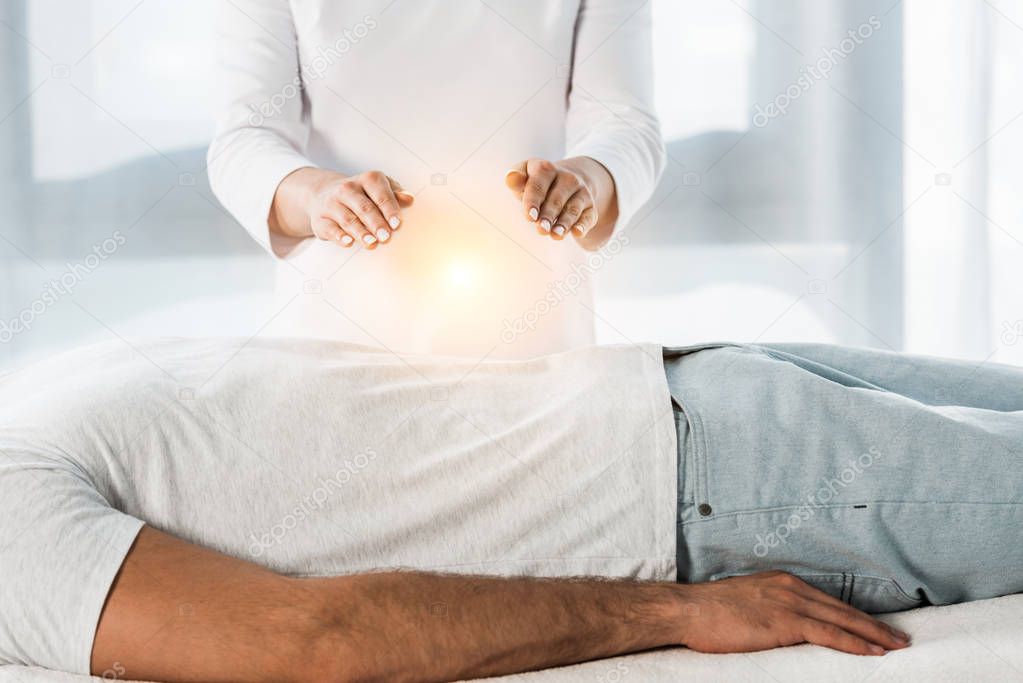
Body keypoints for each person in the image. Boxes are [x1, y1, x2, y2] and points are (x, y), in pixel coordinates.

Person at [2, 337, 1021, 682]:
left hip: (701, 391)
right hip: (723, 479)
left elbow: (312, 633)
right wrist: (678, 612)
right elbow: (313, 639)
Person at [207, 1, 665, 359]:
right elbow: (246, 136)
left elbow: (623, 123)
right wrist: (316, 197)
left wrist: (586, 181)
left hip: (535, 341)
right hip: (340, 339)